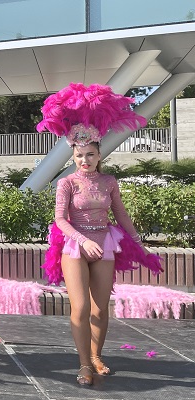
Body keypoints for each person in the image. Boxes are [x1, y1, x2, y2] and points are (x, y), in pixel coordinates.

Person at [38, 83, 163, 385]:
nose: (85, 160)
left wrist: (138, 244)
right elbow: (59, 220)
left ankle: (96, 355)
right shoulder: (66, 183)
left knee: (101, 308)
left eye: (90, 155)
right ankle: (83, 364)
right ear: (74, 156)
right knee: (79, 308)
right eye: (80, 155)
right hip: (75, 247)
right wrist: (81, 241)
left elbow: (120, 214)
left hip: (104, 243)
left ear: (98, 154)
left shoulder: (109, 181)